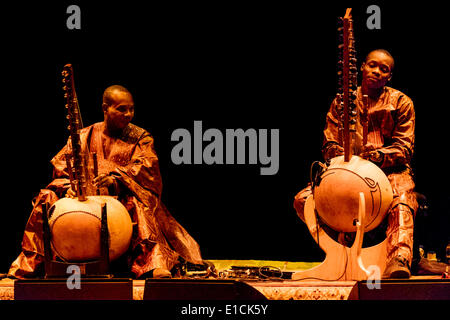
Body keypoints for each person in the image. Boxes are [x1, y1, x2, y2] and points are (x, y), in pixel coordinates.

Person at [8, 85, 204, 279]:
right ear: (105, 108)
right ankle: (29, 264)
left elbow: (147, 169)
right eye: (121, 109)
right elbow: (61, 170)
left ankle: (152, 264)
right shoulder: (83, 137)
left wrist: (117, 179)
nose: (128, 114)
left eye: (131, 109)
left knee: (136, 202)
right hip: (82, 198)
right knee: (46, 197)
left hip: (119, 199)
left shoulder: (140, 138)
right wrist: (69, 186)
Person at [294, 49, 418, 278]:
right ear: (362, 66)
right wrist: (346, 154)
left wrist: (376, 156)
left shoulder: (401, 102)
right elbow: (329, 143)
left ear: (389, 76)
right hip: (347, 169)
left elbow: (404, 148)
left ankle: (399, 259)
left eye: (384, 69)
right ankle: (341, 252)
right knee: (304, 200)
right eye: (373, 65)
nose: (377, 72)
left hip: (390, 173)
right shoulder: (342, 102)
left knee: (402, 199)